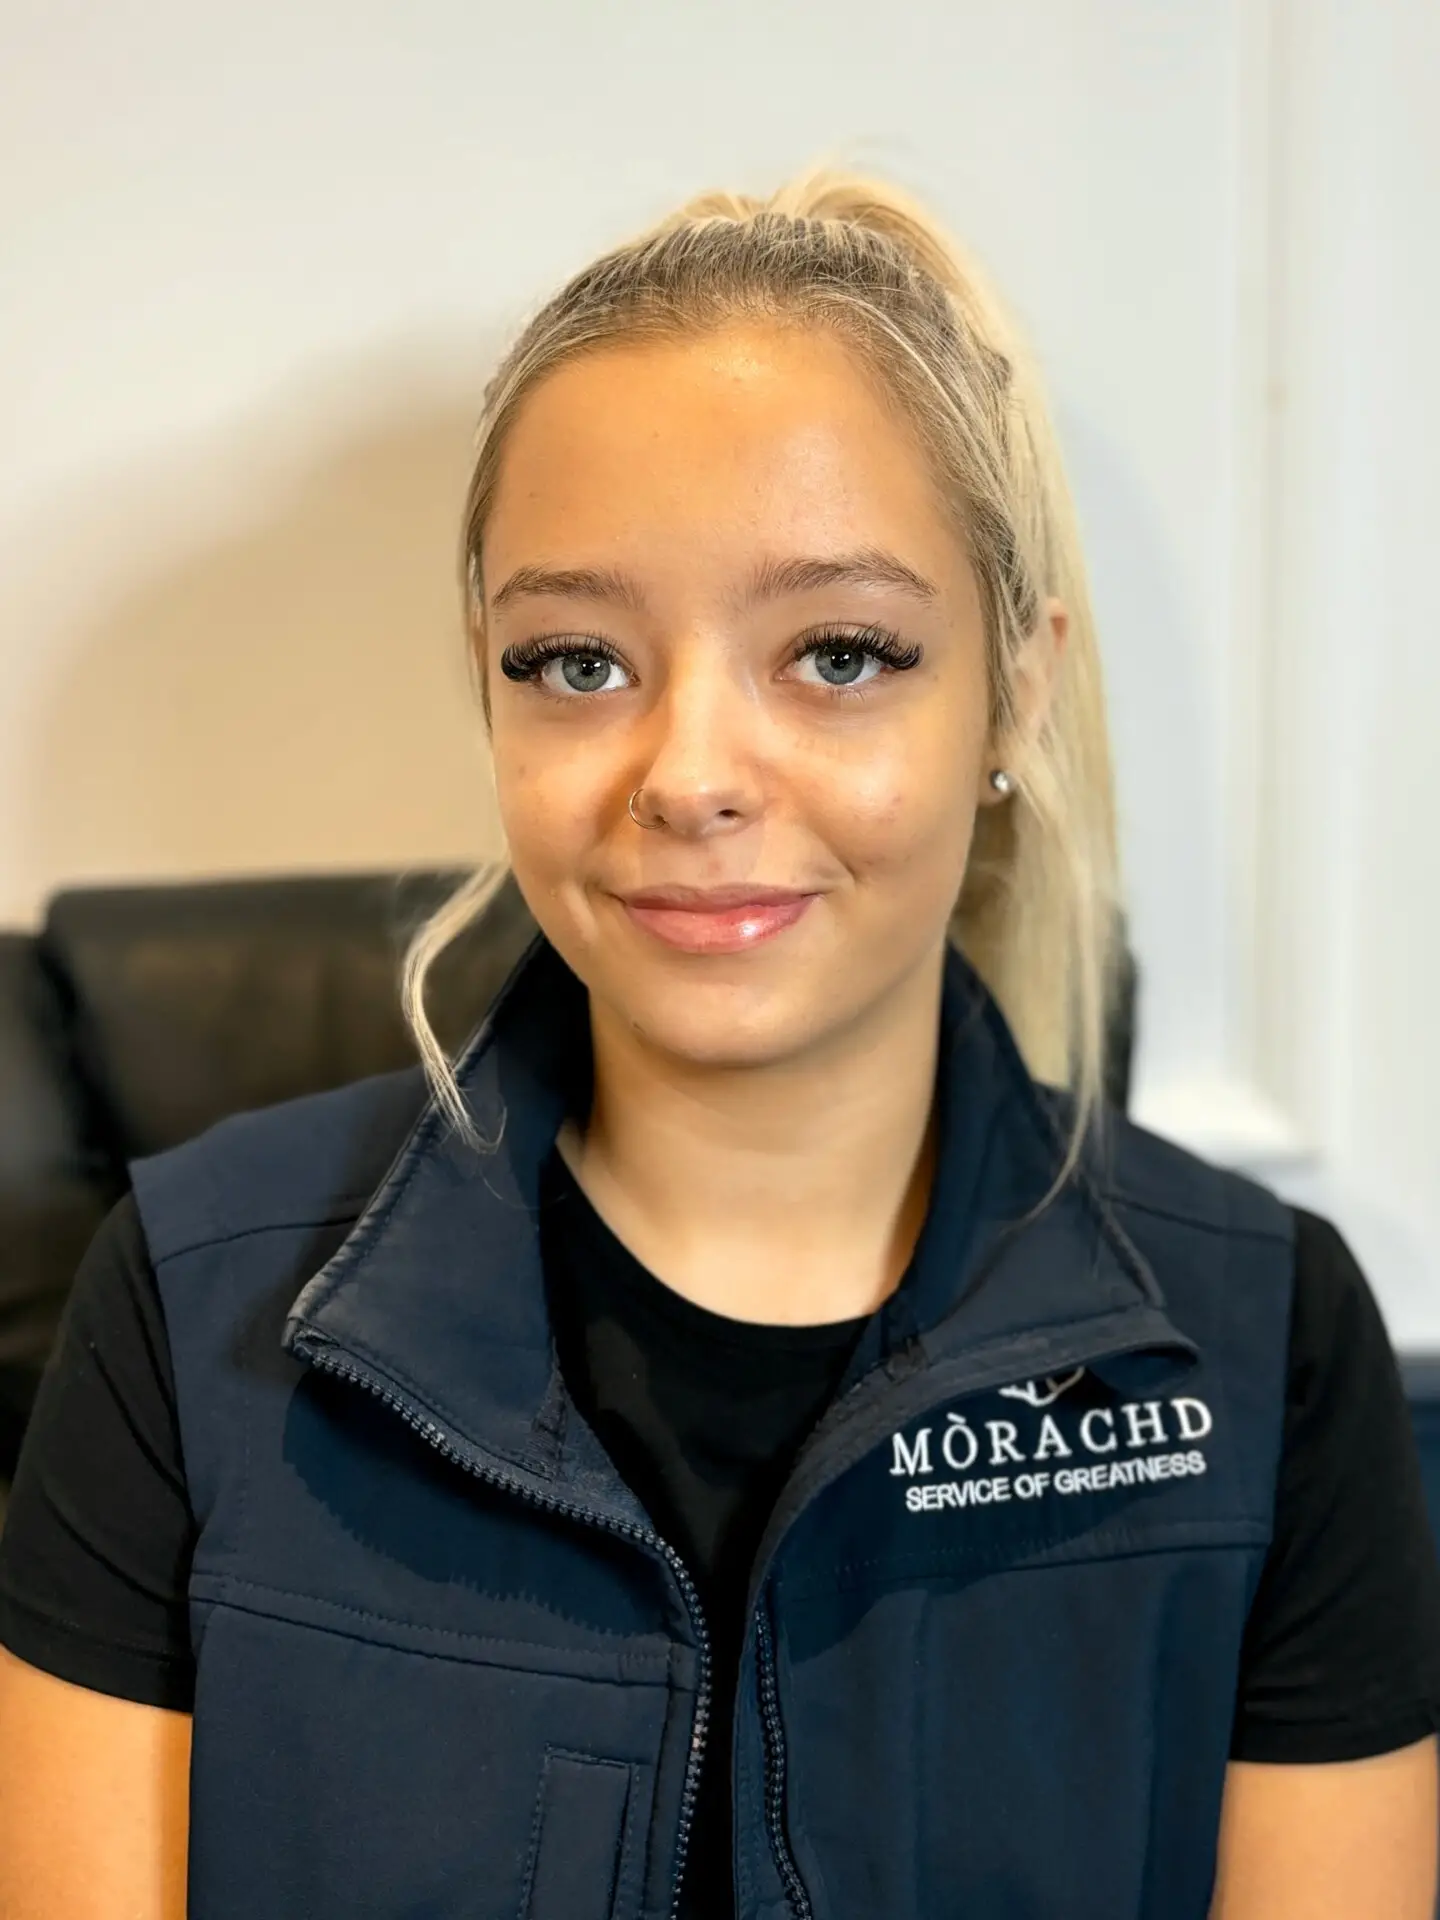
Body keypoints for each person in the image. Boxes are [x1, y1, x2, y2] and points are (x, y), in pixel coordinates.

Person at [1, 168, 1437, 1920]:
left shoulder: (1263, 1344)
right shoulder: (188, 1299)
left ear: (1019, 688)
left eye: (838, 652)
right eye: (576, 661)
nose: (688, 775)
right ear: (485, 678)